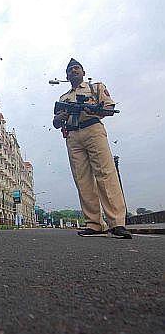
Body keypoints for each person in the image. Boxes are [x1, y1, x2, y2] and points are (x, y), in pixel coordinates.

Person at [52, 58, 132, 239]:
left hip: (93, 128)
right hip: (72, 135)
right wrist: (62, 116)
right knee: (82, 179)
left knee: (105, 174)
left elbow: (110, 109)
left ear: (83, 72)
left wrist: (93, 110)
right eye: (70, 70)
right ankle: (94, 223)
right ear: (67, 75)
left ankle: (117, 222)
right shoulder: (63, 98)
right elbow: (56, 122)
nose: (74, 71)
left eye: (76, 68)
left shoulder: (95, 88)